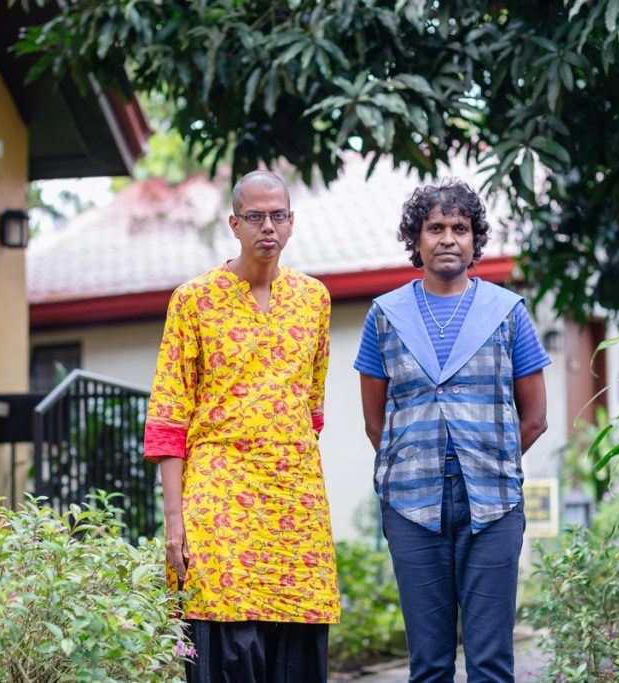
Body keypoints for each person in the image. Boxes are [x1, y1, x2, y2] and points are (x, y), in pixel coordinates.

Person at [144, 170, 340, 682]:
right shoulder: (193, 300)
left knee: (296, 641)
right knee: (222, 633)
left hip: (294, 503)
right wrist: (174, 522)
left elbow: (311, 408)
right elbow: (169, 416)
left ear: (292, 223)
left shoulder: (314, 300)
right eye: (255, 217)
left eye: (278, 216)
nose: (267, 227)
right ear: (235, 223)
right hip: (218, 497)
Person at [354, 180, 549, 682]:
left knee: (490, 662)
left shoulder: (508, 312)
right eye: (434, 228)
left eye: (459, 228)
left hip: (494, 503)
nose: (447, 238)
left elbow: (535, 417)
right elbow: (377, 421)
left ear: (474, 241)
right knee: (430, 664)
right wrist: (417, 461)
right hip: (411, 504)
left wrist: (486, 457)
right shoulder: (385, 315)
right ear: (415, 240)